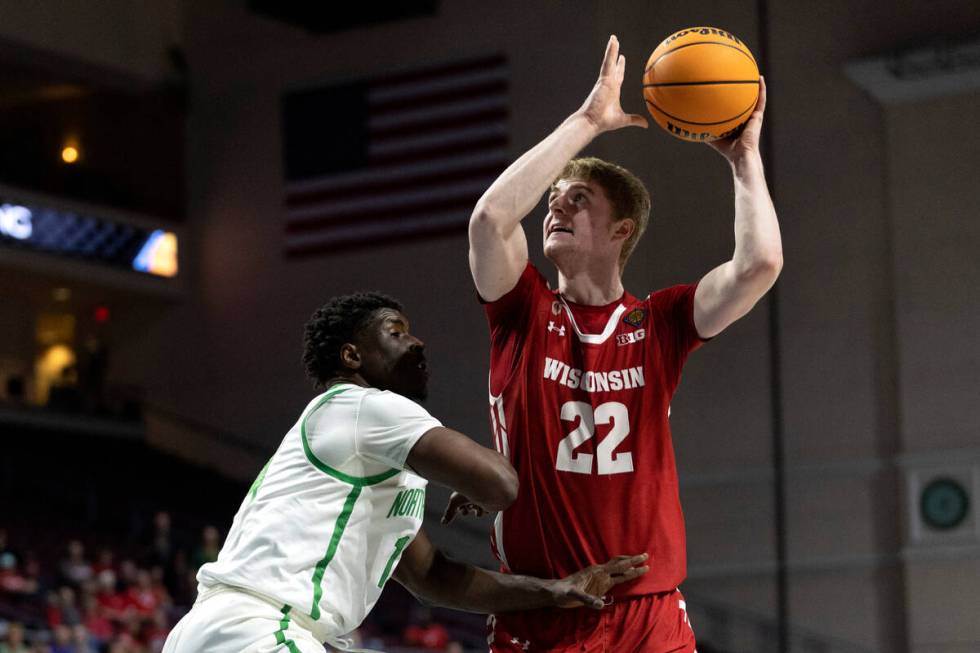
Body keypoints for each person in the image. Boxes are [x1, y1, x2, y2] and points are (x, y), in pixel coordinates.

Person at [452, 35, 782, 652]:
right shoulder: (521, 310)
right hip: (541, 603)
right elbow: (490, 220)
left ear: (620, 229)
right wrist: (588, 122)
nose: (556, 205)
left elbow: (760, 263)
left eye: (579, 199)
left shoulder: (661, 323)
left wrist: (744, 162)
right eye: (553, 198)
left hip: (646, 610)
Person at [162, 292, 649, 653]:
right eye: (396, 333)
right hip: (260, 630)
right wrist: (482, 486)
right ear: (352, 356)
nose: (416, 342)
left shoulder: (362, 444)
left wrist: (551, 591)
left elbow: (432, 577)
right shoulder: (363, 406)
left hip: (223, 630)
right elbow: (499, 484)